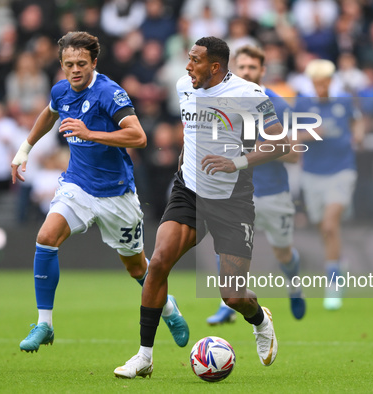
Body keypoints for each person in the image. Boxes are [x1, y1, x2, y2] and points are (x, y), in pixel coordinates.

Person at [114, 36, 288, 379]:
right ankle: (144, 356)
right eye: (188, 59)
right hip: (189, 192)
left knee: (233, 296)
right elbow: (193, 131)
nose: (187, 66)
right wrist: (184, 159)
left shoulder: (251, 95)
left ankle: (260, 320)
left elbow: (281, 142)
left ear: (215, 66)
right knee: (158, 263)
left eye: (194, 60)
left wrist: (235, 162)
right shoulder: (184, 87)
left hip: (232, 201)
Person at [10, 31, 189, 353]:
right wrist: (25, 149)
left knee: (137, 268)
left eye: (81, 63)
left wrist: (90, 133)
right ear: (61, 65)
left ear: (93, 62)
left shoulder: (109, 93)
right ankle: (44, 324)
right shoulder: (61, 90)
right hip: (77, 185)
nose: (74, 70)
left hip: (116, 193)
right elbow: (49, 113)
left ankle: (168, 308)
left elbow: (138, 137)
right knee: (46, 238)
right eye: (68, 64)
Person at [206, 45, 304, 325]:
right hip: (235, 192)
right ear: (234, 69)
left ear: (262, 71)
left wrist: (253, 149)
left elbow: (294, 154)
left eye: (253, 67)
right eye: (242, 67)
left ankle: (294, 283)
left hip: (273, 193)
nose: (247, 72)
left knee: (282, 251)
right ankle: (227, 304)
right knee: (225, 247)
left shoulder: (279, 104)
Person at [294, 59, 364, 311]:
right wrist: (314, 132)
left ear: (330, 82)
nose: (321, 87)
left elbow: (358, 121)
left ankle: (333, 285)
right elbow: (293, 136)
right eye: (317, 83)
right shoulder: (303, 104)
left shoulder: (344, 102)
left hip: (341, 171)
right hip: (312, 173)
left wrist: (358, 134)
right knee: (322, 227)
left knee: (329, 223)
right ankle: (338, 261)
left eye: (325, 82)